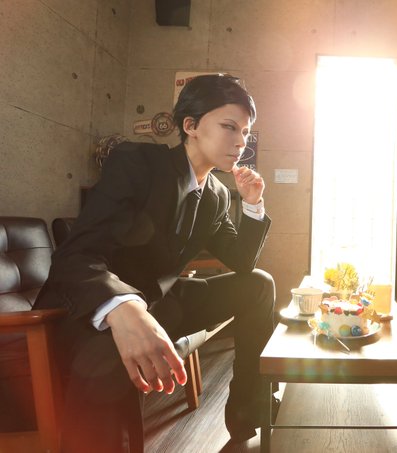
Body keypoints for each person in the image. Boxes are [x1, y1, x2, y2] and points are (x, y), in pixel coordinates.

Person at [34, 74, 276, 452]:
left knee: (258, 285)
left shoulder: (215, 195)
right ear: (191, 126)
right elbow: (75, 255)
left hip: (158, 302)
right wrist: (124, 307)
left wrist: (252, 203)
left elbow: (242, 261)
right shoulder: (137, 162)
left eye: (245, 131)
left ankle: (247, 414)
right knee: (106, 354)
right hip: (92, 309)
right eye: (229, 126)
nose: (241, 141)